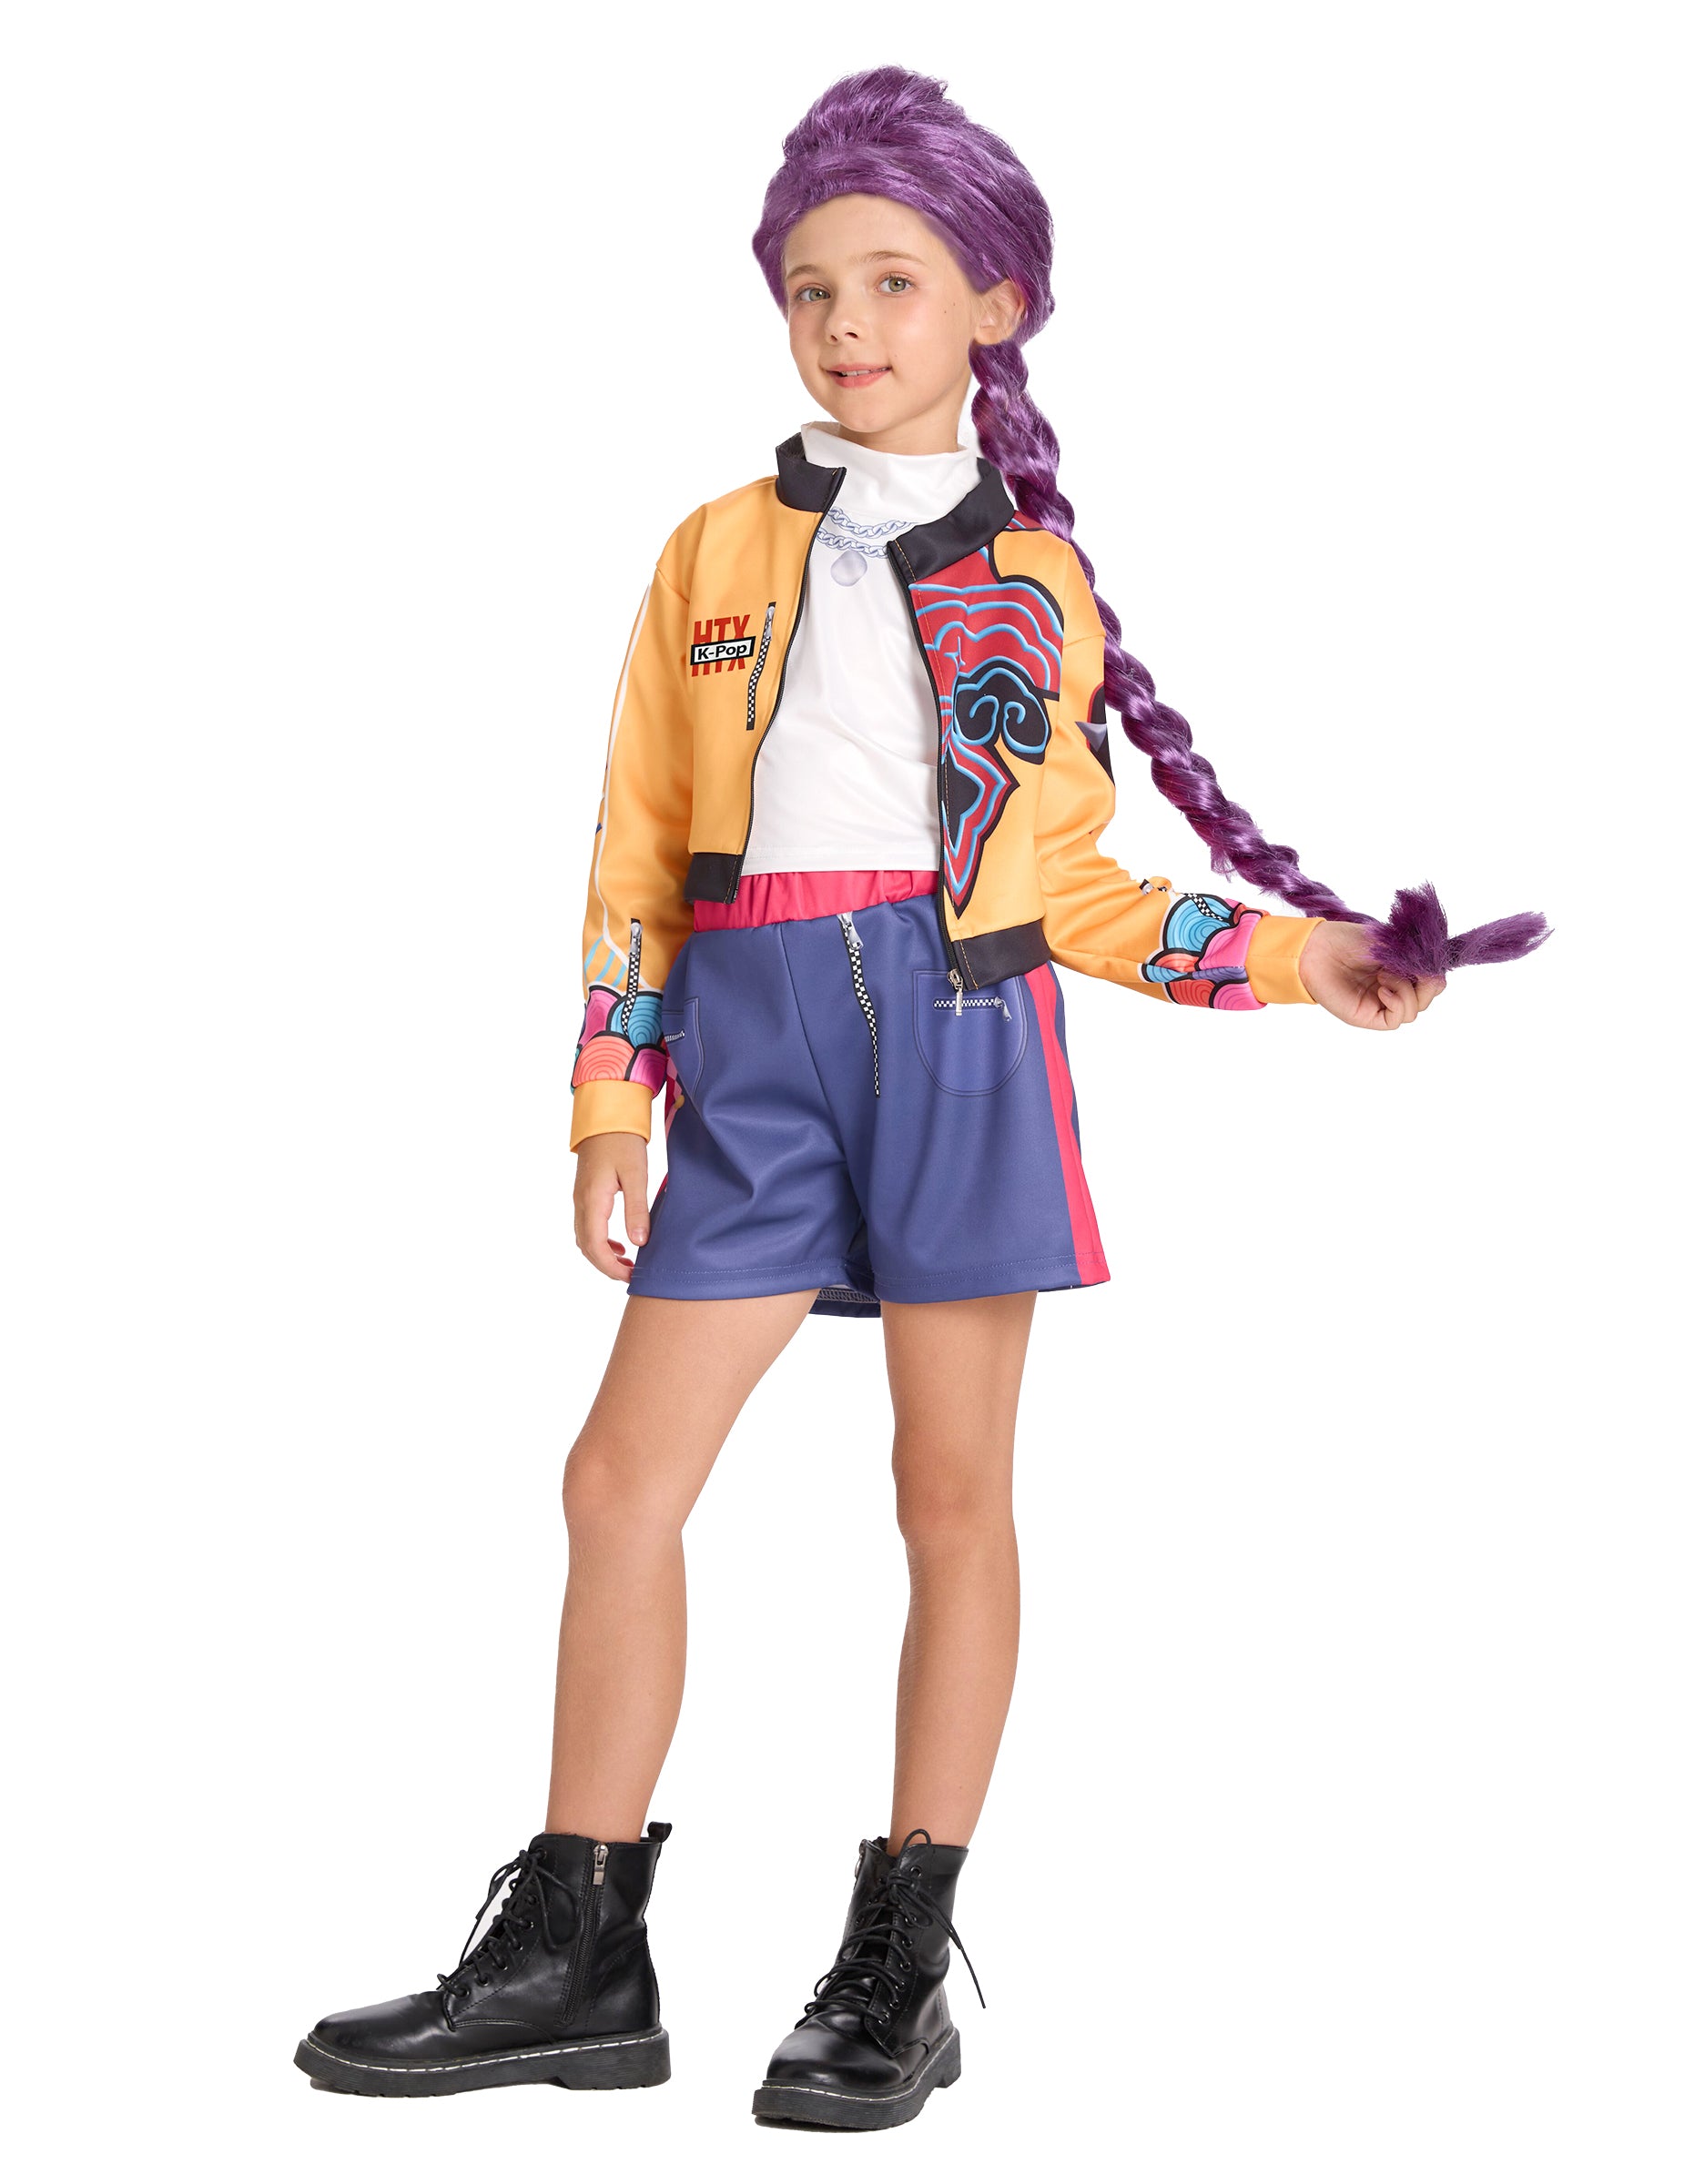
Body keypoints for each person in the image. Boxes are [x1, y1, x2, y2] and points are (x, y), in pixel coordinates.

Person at [294, 65, 1546, 2132]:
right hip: (754, 1052)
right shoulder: (708, 552)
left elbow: (1073, 891)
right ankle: (577, 1948)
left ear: (995, 304)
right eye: (810, 289)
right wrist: (610, 1096)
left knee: (948, 1498)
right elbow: (636, 851)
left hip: (960, 1046)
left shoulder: (1031, 583)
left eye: (891, 281)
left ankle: (895, 1958)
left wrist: (1295, 961)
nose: (845, 323)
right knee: (617, 1484)